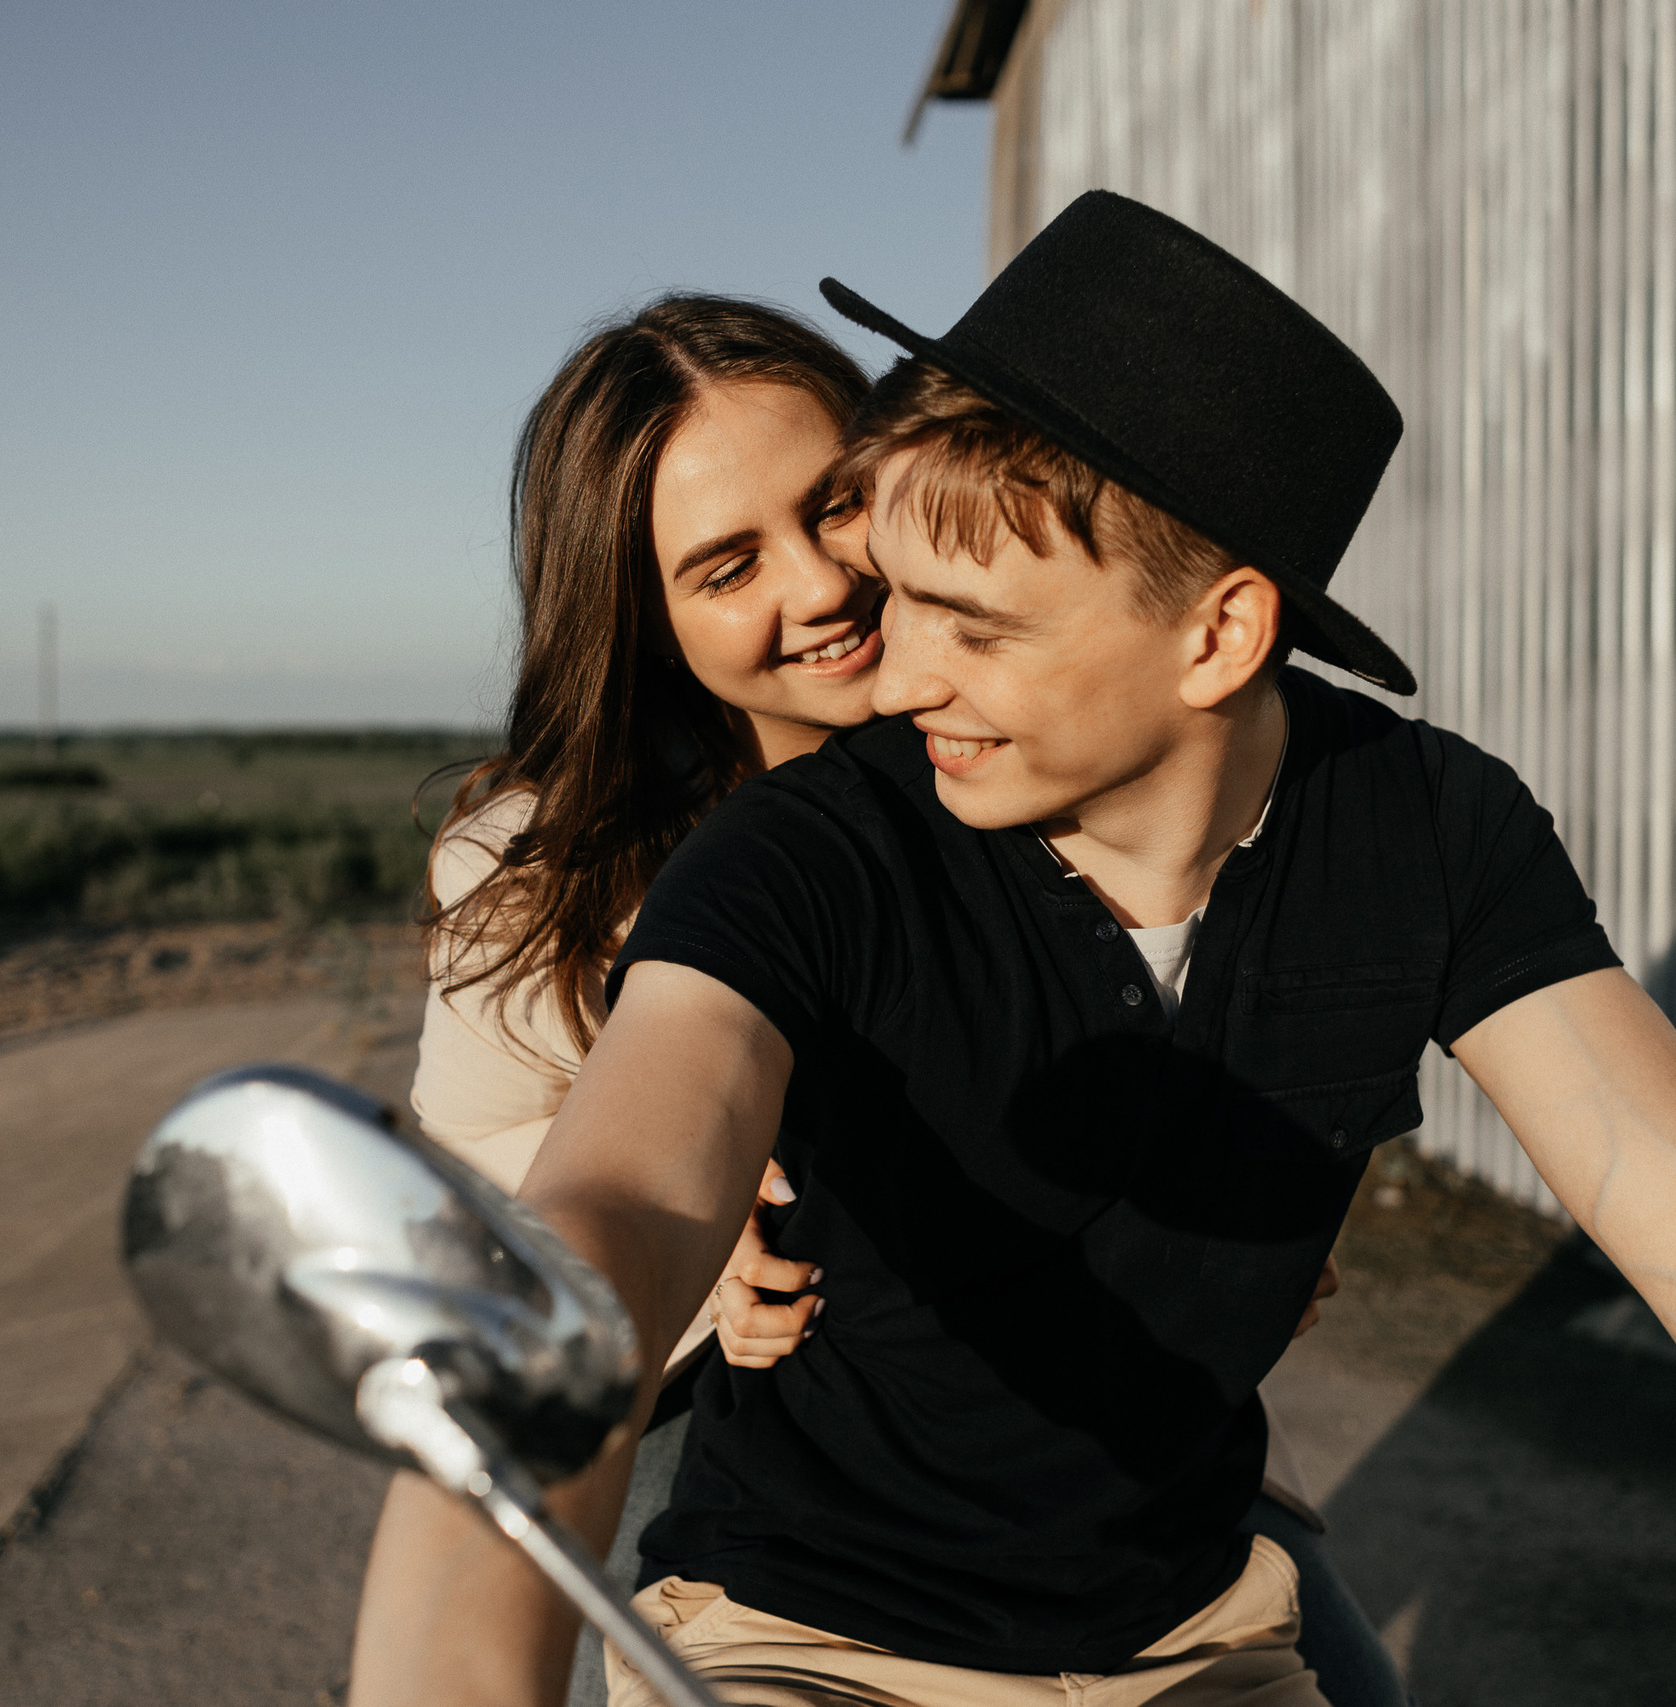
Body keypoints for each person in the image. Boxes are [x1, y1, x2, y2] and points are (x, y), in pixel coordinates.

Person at [366, 290, 1398, 1707]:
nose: (822, 584)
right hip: (731, 1411)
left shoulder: (1059, 769)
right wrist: (678, 1249)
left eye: (834, 507)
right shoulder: (530, 870)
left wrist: (1251, 1212)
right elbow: (487, 1195)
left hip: (1090, 1411)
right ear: (641, 618)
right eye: (727, 567)